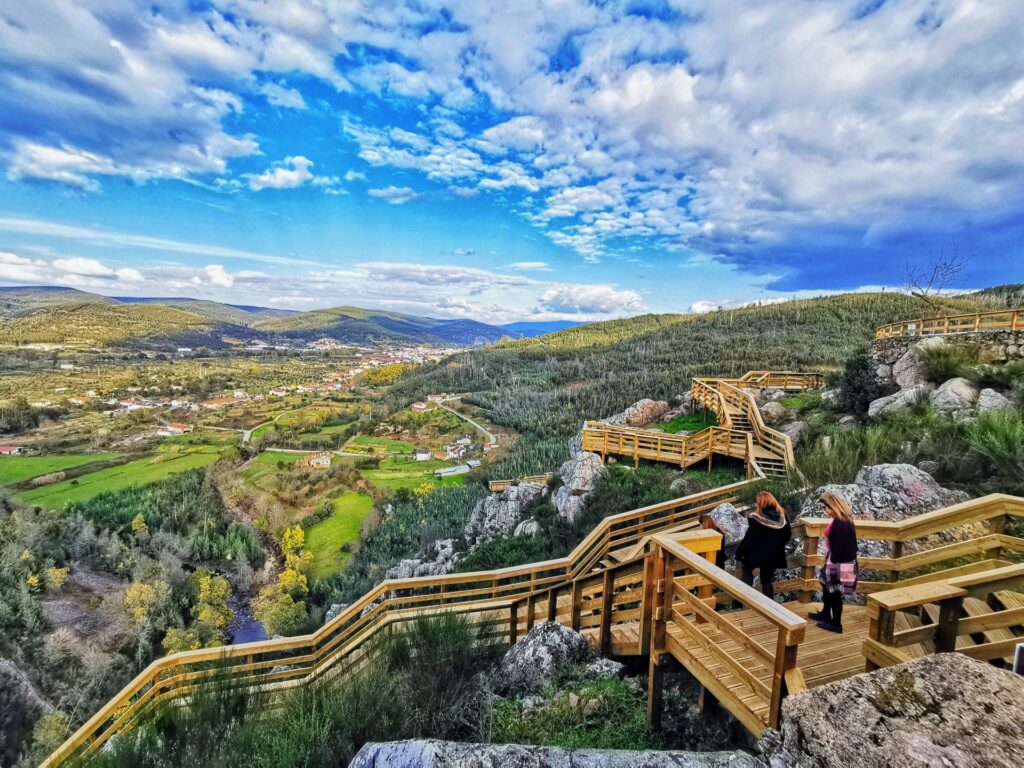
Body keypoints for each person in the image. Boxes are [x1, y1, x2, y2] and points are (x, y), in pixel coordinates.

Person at [809, 492, 858, 634]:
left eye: (825, 507)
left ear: (833, 506)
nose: (824, 510)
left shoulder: (842, 524)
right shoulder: (840, 520)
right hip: (834, 560)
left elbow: (847, 548)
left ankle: (836, 624)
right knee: (826, 587)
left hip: (839, 563)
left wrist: (834, 560)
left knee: (835, 593)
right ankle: (825, 614)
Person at [735, 491, 791, 599]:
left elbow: (749, 539)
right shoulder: (783, 517)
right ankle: (769, 605)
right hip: (773, 555)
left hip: (757, 554)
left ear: (760, 503)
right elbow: (787, 535)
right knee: (766, 580)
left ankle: (747, 600)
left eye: (756, 502)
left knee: (746, 570)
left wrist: (740, 553)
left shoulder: (756, 519)